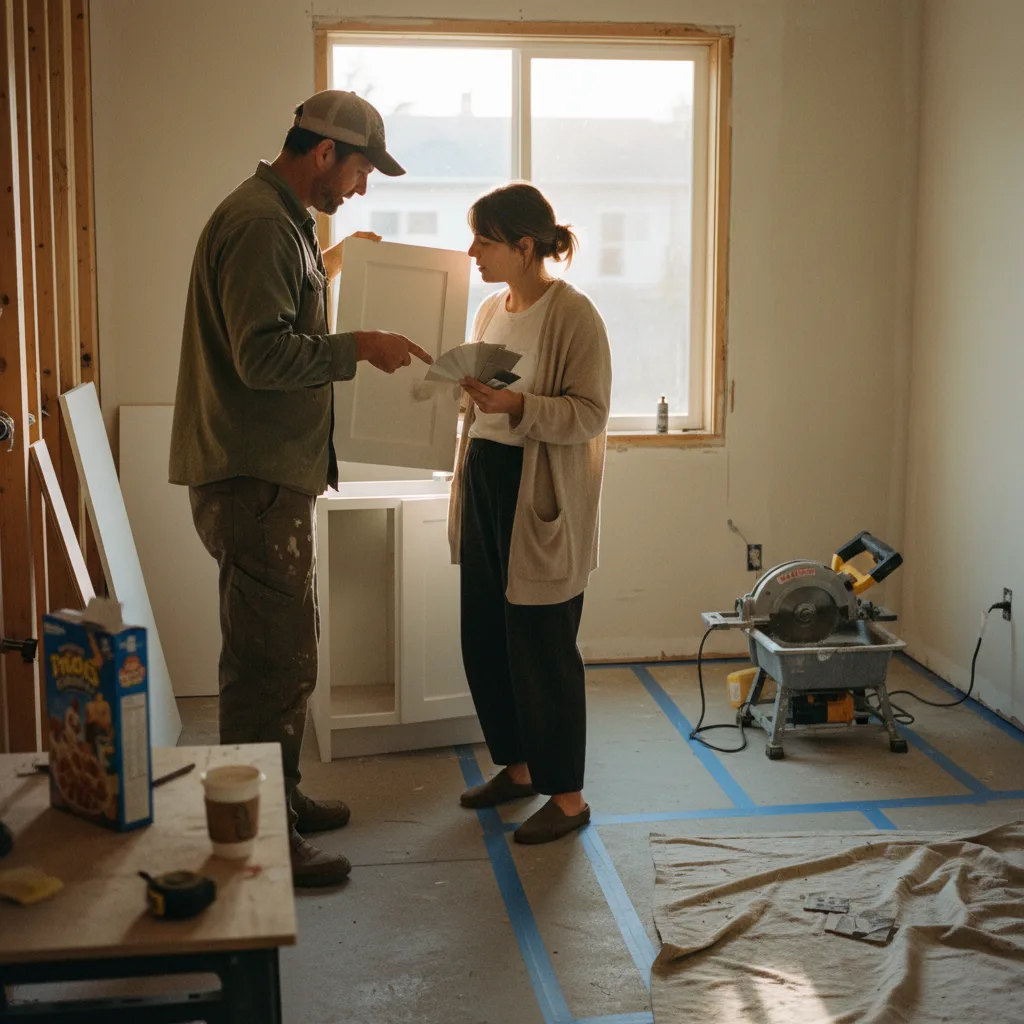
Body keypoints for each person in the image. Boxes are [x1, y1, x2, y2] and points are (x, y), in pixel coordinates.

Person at [169, 90, 431, 887]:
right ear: (324, 153)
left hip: (265, 477)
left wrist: (339, 264)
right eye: (359, 171)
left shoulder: (280, 223)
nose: (360, 188)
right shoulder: (258, 224)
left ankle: (275, 799)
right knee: (267, 665)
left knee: (282, 652)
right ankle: (263, 837)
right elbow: (262, 357)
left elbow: (279, 314)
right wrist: (359, 346)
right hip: (252, 480)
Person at [450, 183, 612, 844]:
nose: (472, 253)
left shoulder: (574, 317)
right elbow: (484, 406)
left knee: (543, 649)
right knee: (485, 636)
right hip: (488, 480)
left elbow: (591, 414)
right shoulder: (492, 309)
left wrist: (517, 407)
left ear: (524, 246)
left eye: (484, 241)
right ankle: (517, 770)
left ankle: (568, 798)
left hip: (539, 493)